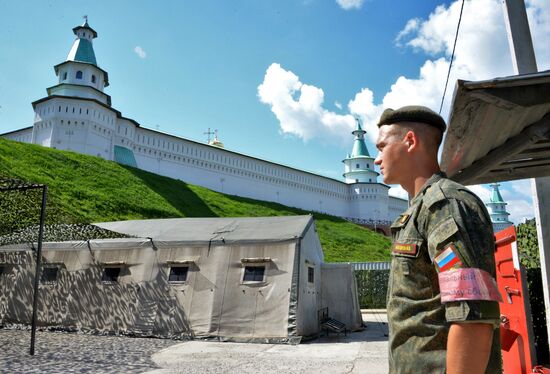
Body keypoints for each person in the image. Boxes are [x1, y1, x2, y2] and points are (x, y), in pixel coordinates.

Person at [374, 105, 502, 374]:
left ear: (410, 141)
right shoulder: (420, 211)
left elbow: (472, 318)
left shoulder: (445, 205)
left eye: (382, 146)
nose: (377, 159)